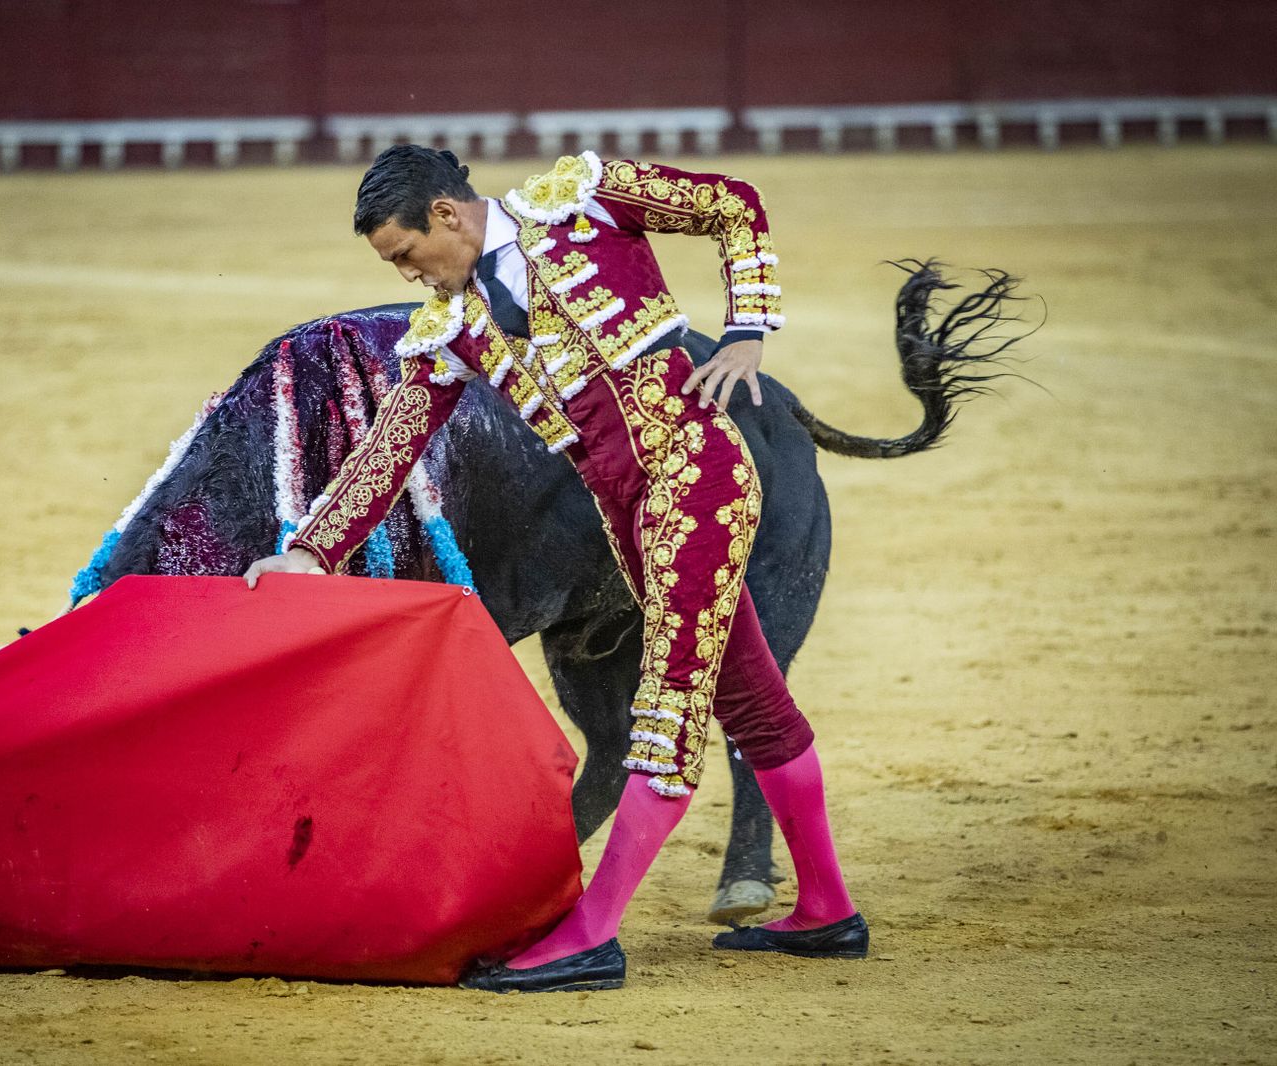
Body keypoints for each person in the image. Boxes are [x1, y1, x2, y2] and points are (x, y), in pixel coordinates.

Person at [243, 145, 866, 992]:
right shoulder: (455, 321)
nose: (408, 275)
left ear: (447, 216)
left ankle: (590, 935)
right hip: (627, 514)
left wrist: (748, 332)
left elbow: (733, 204)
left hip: (697, 483)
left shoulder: (584, 198)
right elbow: (390, 447)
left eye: (404, 254)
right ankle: (827, 911)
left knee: (669, 712)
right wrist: (311, 550)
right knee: (752, 702)